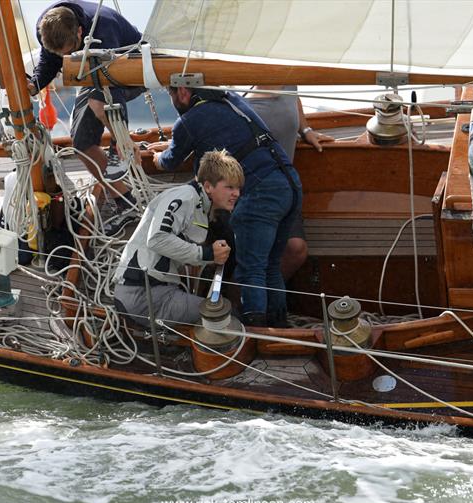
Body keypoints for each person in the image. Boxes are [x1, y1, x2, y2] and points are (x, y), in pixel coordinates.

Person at [151, 87, 302, 327]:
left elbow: (171, 161)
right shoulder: (231, 99)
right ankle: (279, 327)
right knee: (270, 266)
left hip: (259, 192)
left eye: (171, 95)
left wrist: (156, 157)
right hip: (289, 182)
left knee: (251, 270)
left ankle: (257, 334)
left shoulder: (189, 121)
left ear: (182, 91)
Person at [29, 1, 143, 232]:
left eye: (71, 50)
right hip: (91, 76)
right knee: (81, 143)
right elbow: (48, 64)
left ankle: (122, 150)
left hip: (131, 67)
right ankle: (126, 202)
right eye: (63, 54)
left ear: (80, 31)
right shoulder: (48, 30)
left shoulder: (104, 28)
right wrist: (33, 85)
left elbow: (113, 85)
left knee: (99, 103)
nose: (68, 56)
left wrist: (119, 138)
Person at [114, 150, 242, 327]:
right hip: (143, 295)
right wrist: (206, 254)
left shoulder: (200, 206)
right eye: (230, 187)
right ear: (208, 186)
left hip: (157, 291)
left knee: (224, 312)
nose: (236, 193)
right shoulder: (184, 197)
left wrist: (209, 257)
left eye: (238, 188)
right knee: (228, 318)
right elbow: (157, 238)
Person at [246, 85, 333, 281]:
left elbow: (294, 98)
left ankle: (265, 295)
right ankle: (237, 305)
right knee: (253, 258)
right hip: (251, 192)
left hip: (284, 189)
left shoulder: (286, 79)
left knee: (296, 249)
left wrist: (305, 129)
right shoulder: (239, 101)